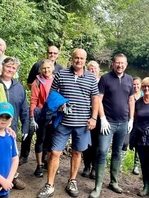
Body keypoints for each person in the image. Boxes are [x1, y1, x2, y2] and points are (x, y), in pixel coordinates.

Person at [37, 49, 99, 198]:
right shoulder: (61, 74)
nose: (78, 61)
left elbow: (95, 99)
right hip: (63, 121)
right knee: (55, 153)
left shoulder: (91, 78)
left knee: (77, 152)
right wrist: (59, 105)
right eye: (76, 58)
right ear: (72, 58)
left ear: (85, 59)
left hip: (82, 122)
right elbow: (52, 95)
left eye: (82, 58)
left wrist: (94, 118)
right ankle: (50, 185)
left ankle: (72, 181)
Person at [89, 53, 135, 198]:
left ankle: (113, 182)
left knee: (117, 152)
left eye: (122, 63)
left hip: (123, 123)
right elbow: (98, 99)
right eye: (117, 63)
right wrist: (102, 118)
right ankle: (97, 187)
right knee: (102, 151)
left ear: (126, 64)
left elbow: (131, 100)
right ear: (112, 64)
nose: (120, 65)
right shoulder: (105, 78)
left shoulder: (129, 79)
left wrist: (131, 119)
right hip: (108, 123)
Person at [21, 46, 63, 165]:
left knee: (50, 139)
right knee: (35, 135)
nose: (52, 54)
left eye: (55, 53)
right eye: (50, 52)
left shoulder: (60, 70)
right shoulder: (37, 68)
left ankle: (47, 160)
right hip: (39, 110)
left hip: (53, 113)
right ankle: (26, 157)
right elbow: (30, 83)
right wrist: (39, 90)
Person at [0, 57, 28, 190]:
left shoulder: (19, 87)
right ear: (2, 66)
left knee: (10, 155)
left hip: (12, 127)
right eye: (8, 66)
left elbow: (24, 109)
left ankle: (12, 178)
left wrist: (26, 127)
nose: (10, 69)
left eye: (13, 68)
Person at [29, 59, 55, 177]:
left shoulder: (56, 80)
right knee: (40, 140)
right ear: (41, 69)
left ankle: (49, 164)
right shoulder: (37, 82)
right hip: (41, 115)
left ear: (52, 68)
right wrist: (32, 116)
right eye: (44, 68)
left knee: (51, 142)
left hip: (54, 116)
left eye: (48, 68)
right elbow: (34, 100)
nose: (46, 70)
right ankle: (39, 165)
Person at [82, 61, 101, 179]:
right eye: (90, 68)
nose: (92, 70)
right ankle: (86, 166)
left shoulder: (102, 81)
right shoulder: (84, 80)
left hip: (98, 115)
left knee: (96, 143)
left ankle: (94, 167)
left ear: (98, 70)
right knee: (85, 142)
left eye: (94, 68)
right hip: (84, 114)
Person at [121, 76, 143, 176]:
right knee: (125, 142)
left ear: (141, 85)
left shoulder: (143, 95)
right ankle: (120, 163)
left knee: (139, 144)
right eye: (134, 84)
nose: (136, 86)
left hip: (139, 123)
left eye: (138, 84)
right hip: (128, 121)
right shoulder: (128, 94)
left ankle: (136, 166)